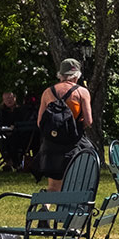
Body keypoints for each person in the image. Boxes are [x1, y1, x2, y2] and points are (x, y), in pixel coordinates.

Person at [34, 59, 94, 191]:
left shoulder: (48, 92)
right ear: (76, 75)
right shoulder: (82, 92)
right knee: (79, 180)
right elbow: (89, 121)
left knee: (54, 186)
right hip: (73, 143)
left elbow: (40, 122)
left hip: (52, 145)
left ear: (60, 75)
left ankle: (45, 206)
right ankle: (73, 208)